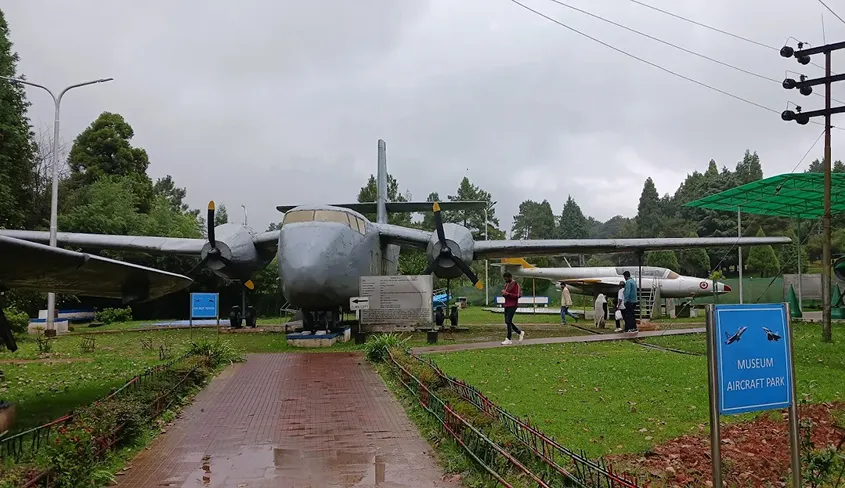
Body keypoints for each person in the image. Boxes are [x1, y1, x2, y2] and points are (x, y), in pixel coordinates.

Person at [501, 272, 525, 345]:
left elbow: (518, 295)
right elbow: (505, 294)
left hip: (513, 305)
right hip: (507, 304)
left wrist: (508, 294)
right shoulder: (506, 284)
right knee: (507, 321)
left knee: (508, 321)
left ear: (510, 277)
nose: (505, 280)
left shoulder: (515, 284)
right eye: (504, 279)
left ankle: (508, 338)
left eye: (506, 279)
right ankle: (519, 332)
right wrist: (504, 294)